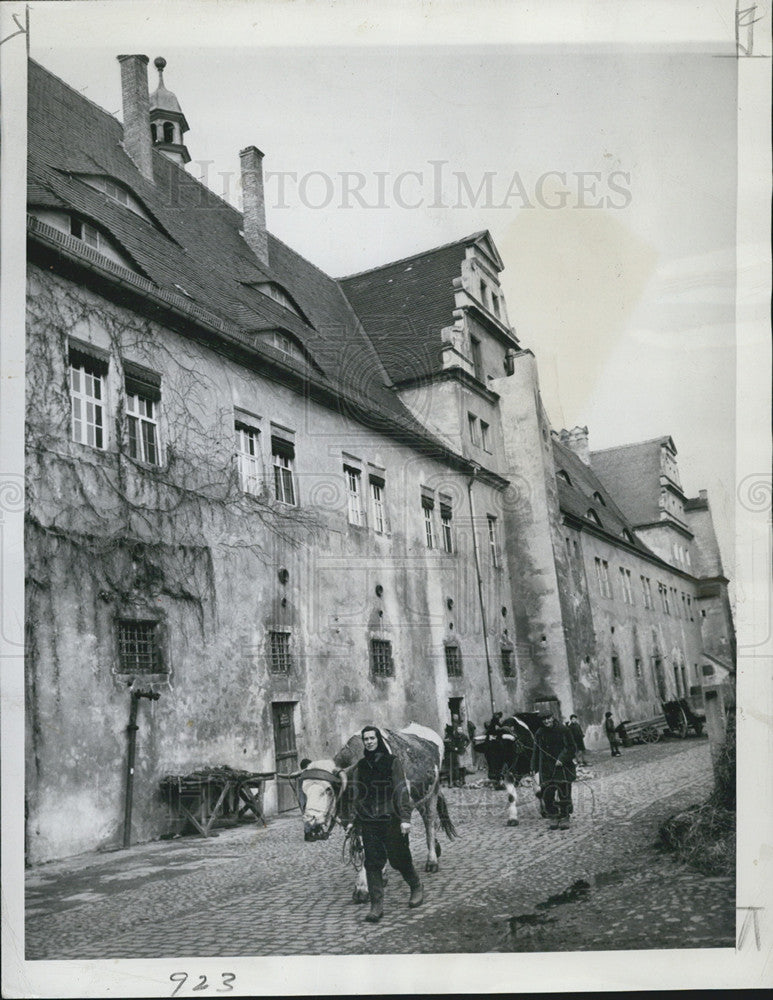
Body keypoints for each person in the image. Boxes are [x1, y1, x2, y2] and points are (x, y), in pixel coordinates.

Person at [347, 726, 423, 923]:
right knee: (372, 862)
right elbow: (356, 795)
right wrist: (353, 821)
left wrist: (405, 819)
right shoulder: (361, 766)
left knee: (399, 858)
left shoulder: (392, 762)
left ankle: (415, 886)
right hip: (369, 821)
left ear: (378, 740)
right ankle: (376, 905)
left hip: (391, 818)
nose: (369, 742)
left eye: (372, 738)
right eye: (366, 739)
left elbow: (401, 790)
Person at [530, 713, 576, 830]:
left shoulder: (563, 730)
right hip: (546, 769)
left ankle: (565, 816)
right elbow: (536, 751)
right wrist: (533, 767)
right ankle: (554, 816)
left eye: (548, 718)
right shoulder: (539, 733)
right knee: (547, 795)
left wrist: (562, 758)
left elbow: (571, 747)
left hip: (562, 768)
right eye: (544, 719)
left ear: (552, 718)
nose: (546, 721)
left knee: (563, 793)